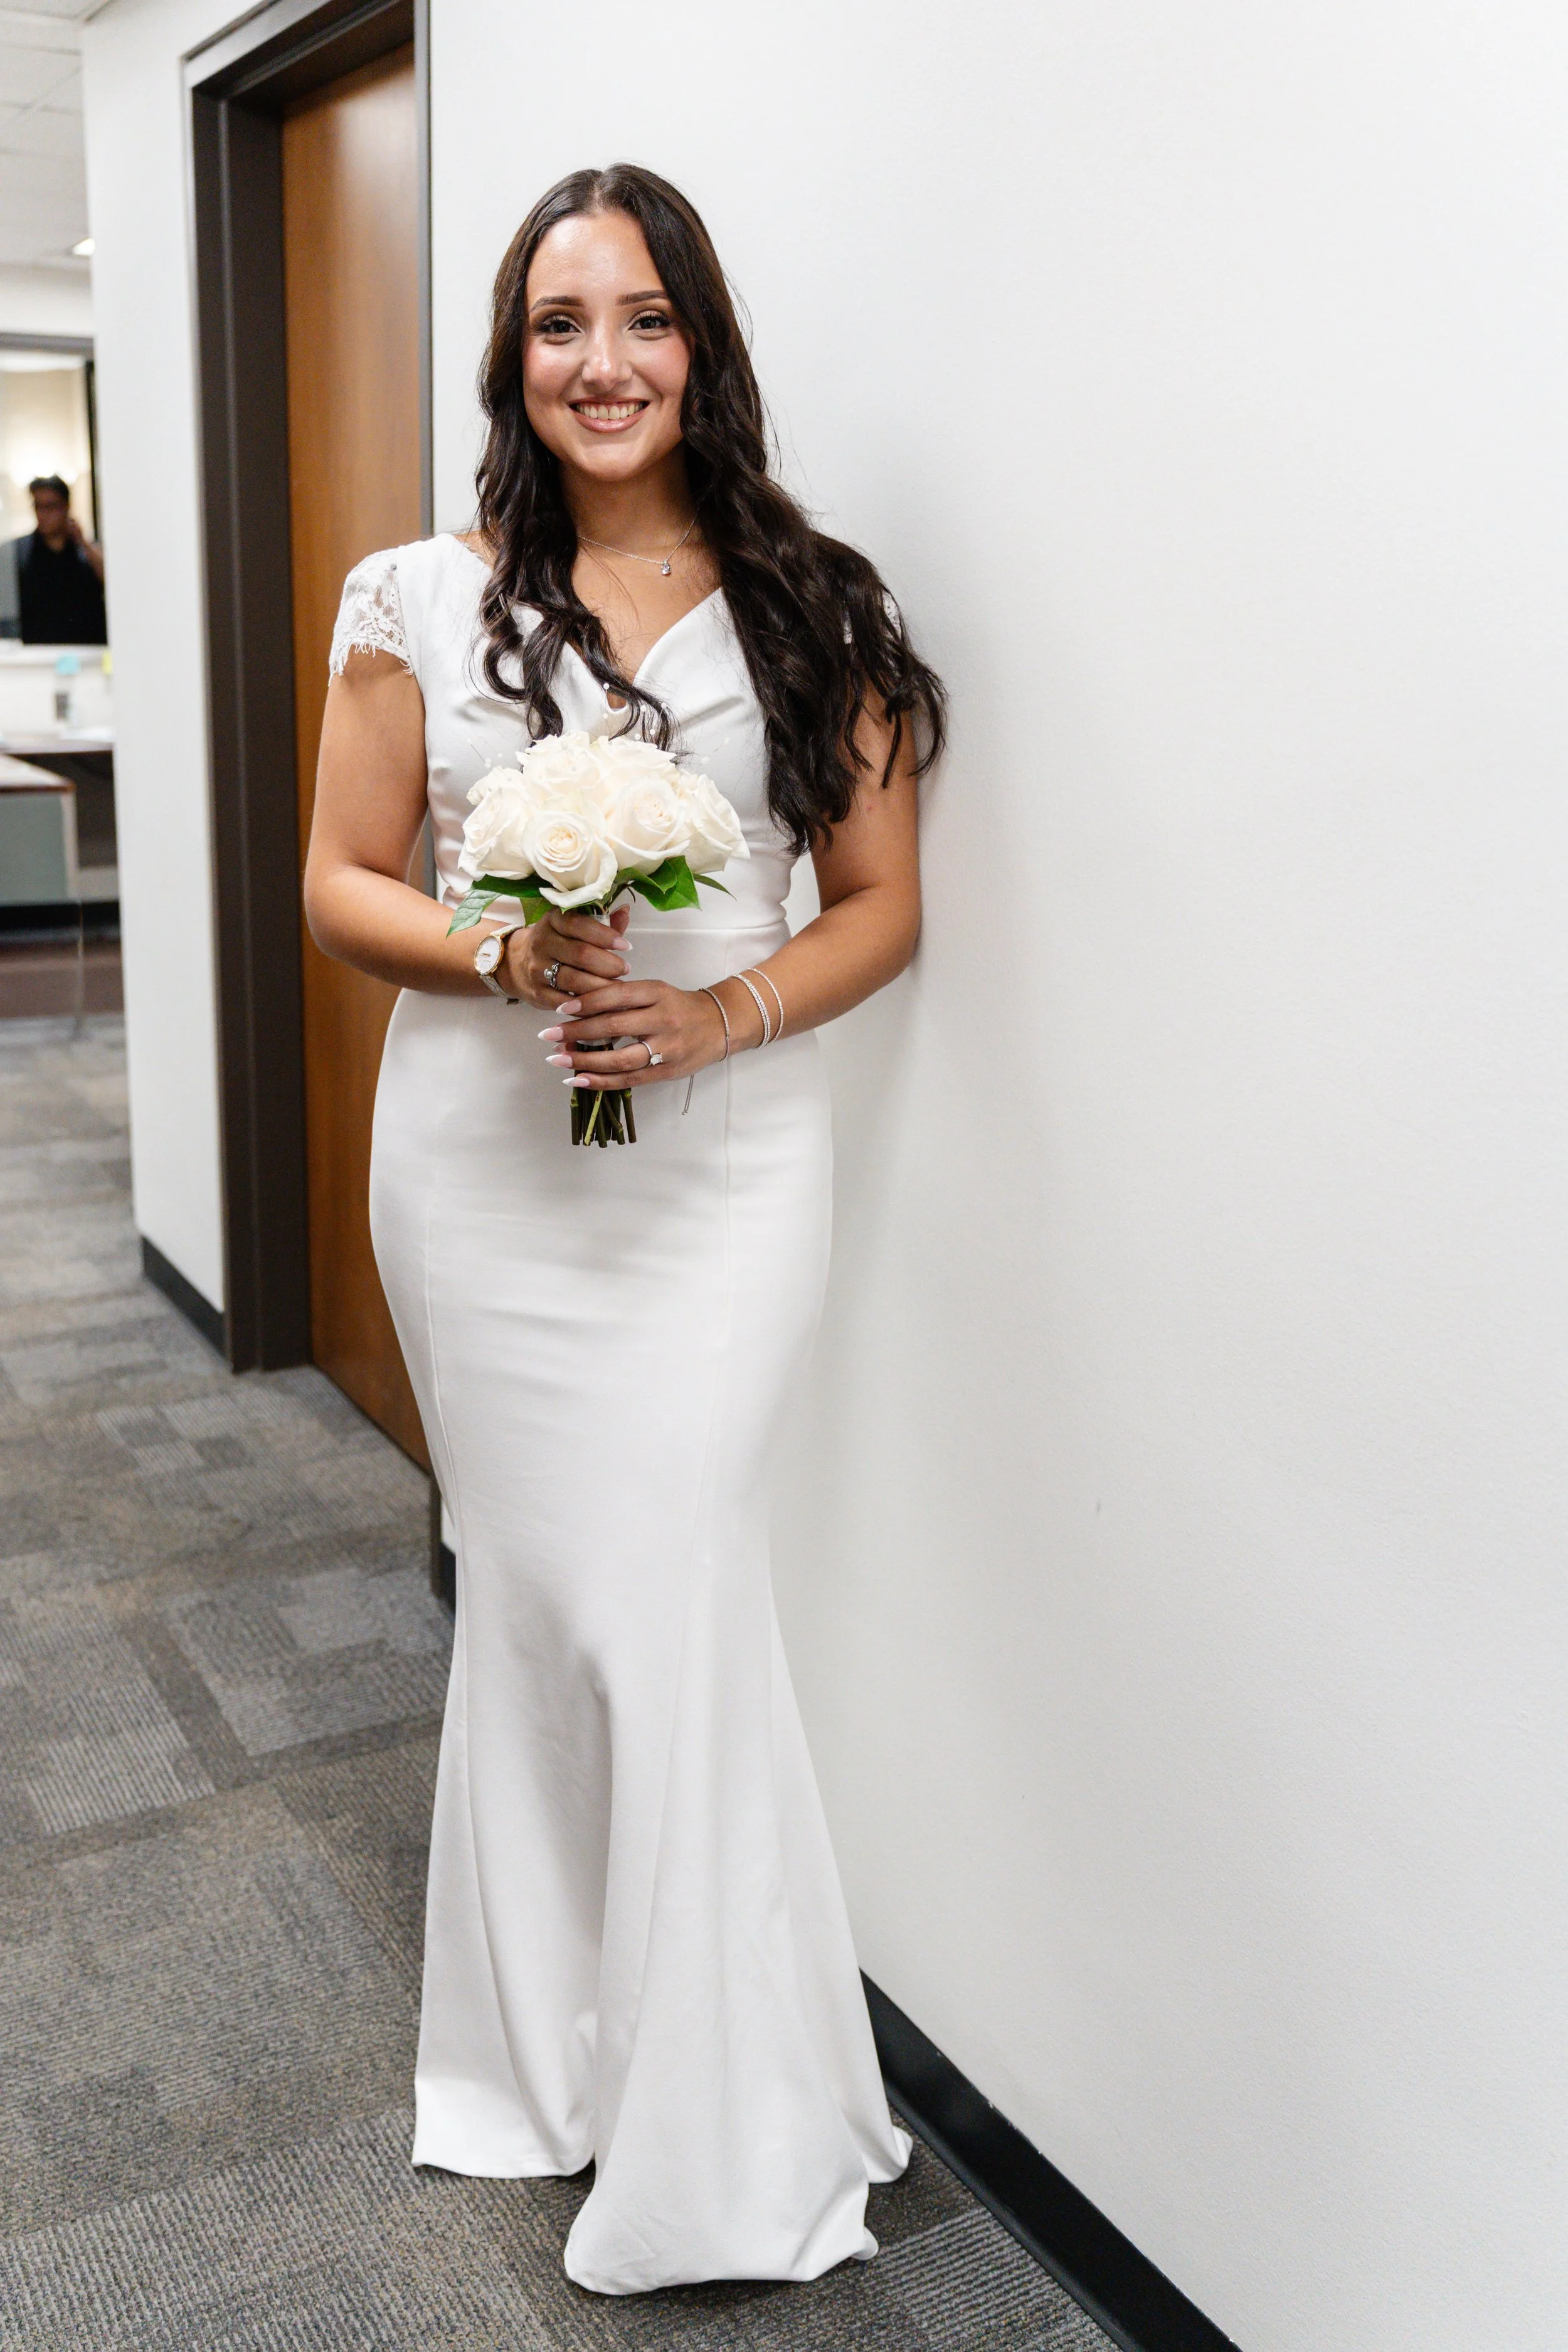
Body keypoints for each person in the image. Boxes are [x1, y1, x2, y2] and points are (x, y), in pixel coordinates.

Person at [304, 164, 946, 2296]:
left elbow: (879, 913)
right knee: (534, 1589)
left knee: (665, 1591)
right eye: (562, 322)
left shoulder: (809, 598)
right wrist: (510, 956)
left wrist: (712, 1014)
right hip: (482, 1176)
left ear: (703, 346)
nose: (605, 361)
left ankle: (716, 2119)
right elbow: (343, 880)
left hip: (730, 1175)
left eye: (645, 317)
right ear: (514, 359)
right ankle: (545, 2060)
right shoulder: (418, 593)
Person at [0, 475, 107, 644]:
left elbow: (110, 582)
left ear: (66, 507)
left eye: (51, 507)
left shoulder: (84, 551)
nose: (43, 515)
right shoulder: (20, 552)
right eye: (38, 507)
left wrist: (83, 542)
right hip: (38, 648)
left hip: (87, 645)